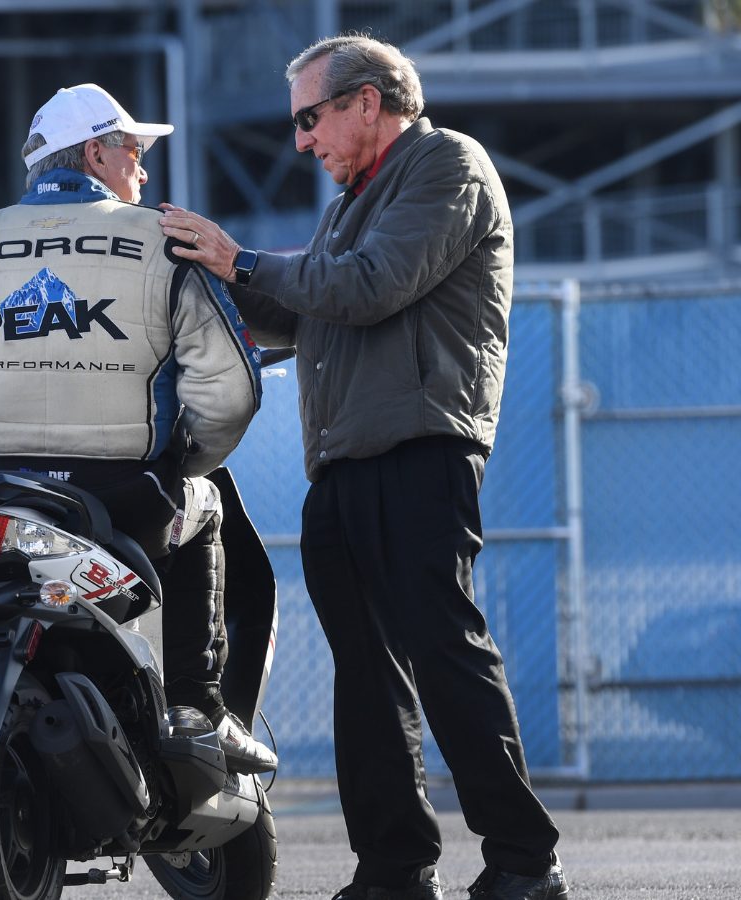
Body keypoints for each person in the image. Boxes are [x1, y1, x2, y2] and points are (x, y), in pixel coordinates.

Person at [158, 35, 570, 900]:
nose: (303, 142)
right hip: (345, 466)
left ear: (368, 102)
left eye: (312, 118)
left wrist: (240, 259)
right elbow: (310, 307)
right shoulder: (354, 201)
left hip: (421, 452)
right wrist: (206, 286)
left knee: (443, 651)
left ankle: (526, 864)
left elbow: (368, 286)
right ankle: (392, 869)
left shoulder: (446, 164)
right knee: (368, 675)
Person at [0, 83, 275, 900]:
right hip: (122, 493)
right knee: (206, 510)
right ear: (95, 155)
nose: (141, 165)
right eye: (133, 149)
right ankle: (198, 708)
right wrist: (184, 459)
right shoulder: (161, 243)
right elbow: (231, 394)